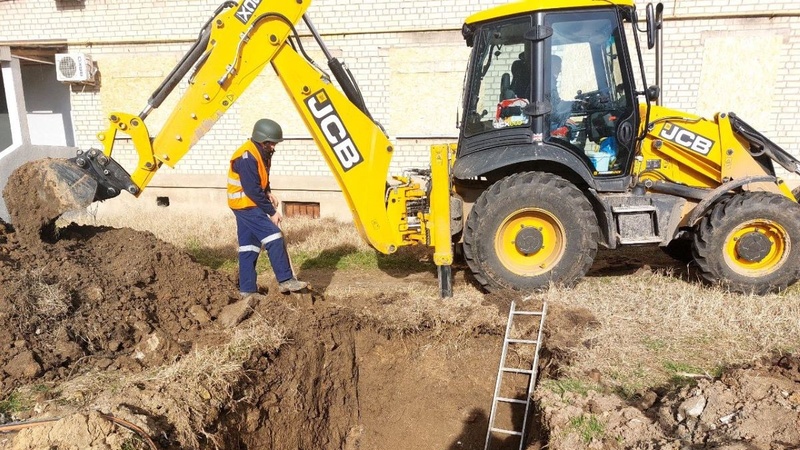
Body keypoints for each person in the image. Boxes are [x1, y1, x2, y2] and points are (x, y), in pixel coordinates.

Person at [227, 118, 307, 296]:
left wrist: (268, 191)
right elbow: (252, 190)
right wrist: (271, 212)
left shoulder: (260, 153)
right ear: (262, 140)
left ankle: (247, 290)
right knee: (275, 237)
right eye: (271, 143)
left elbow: (261, 179)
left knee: (249, 246)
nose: (274, 147)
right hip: (246, 205)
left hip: (246, 204)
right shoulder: (246, 157)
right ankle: (286, 280)